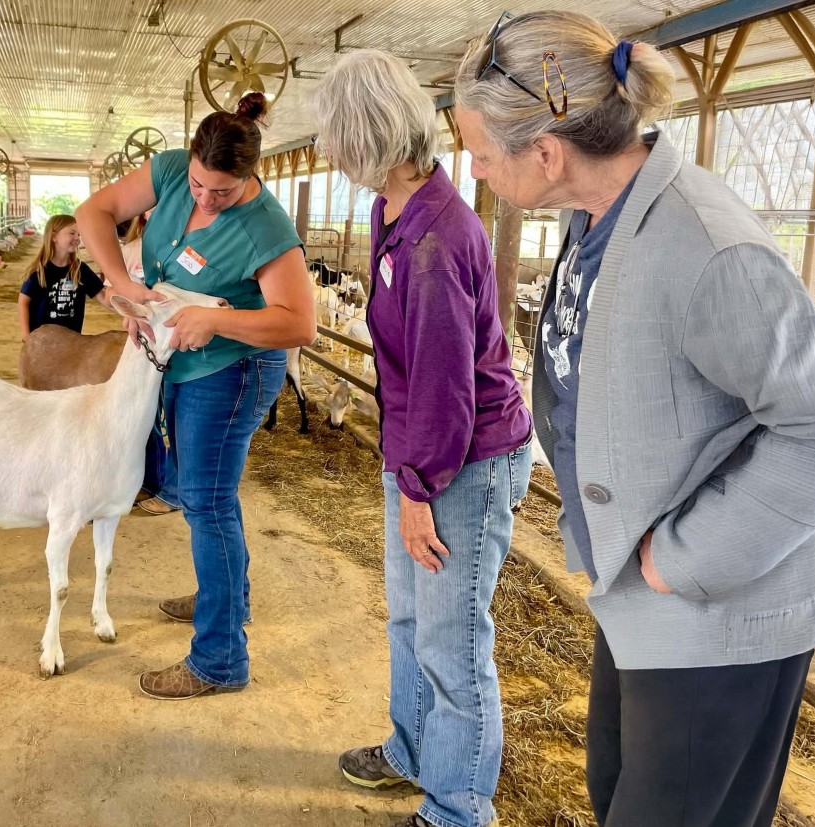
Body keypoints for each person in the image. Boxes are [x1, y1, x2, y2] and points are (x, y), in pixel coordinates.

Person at [451, 11, 815, 827]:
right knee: (615, 788)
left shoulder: (707, 249)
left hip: (716, 612)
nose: (473, 170)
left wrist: (677, 560)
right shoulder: (596, 217)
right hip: (645, 589)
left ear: (545, 152)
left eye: (478, 153)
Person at [312, 50, 534, 827]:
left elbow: (445, 392)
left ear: (367, 135)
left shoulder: (435, 242)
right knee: (409, 618)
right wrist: (402, 465)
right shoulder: (392, 211)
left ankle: (459, 807)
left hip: (462, 461)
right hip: (420, 448)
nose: (328, 154)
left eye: (336, 137)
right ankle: (412, 751)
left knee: (452, 643)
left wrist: (417, 488)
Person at [76, 92, 315, 700]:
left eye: (223, 194)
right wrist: (127, 286)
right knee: (209, 496)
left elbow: (299, 325)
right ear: (188, 162)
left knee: (206, 502)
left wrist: (220, 322)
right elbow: (93, 212)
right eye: (200, 186)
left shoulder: (268, 230)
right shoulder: (169, 175)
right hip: (182, 364)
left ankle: (219, 658)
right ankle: (226, 600)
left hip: (233, 371)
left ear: (249, 178)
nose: (206, 200)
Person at [121, 210, 180, 516]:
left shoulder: (181, 247)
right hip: (142, 343)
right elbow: (113, 290)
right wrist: (129, 308)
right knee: (145, 414)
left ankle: (172, 489)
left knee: (173, 416)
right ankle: (151, 478)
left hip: (176, 343)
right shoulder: (130, 251)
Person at [17, 214, 105, 337]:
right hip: (41, 341)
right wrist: (26, 337)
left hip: (70, 342)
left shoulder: (80, 269)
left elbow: (103, 296)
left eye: (78, 234)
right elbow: (23, 302)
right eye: (72, 233)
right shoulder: (39, 271)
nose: (77, 238)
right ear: (54, 237)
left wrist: (126, 304)